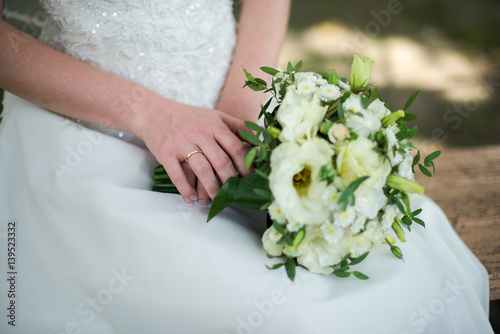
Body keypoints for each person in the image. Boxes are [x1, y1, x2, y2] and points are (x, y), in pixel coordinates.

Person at [0, 1, 494, 333]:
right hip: (86, 143)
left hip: (234, 112)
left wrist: (242, 102)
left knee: (416, 276)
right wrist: (149, 113)